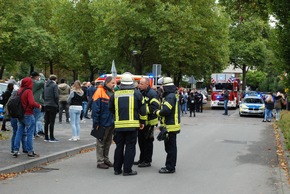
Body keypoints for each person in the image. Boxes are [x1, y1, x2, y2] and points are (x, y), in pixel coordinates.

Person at [109, 72, 146, 176]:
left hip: (119, 126)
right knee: (130, 147)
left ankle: (117, 169)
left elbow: (110, 108)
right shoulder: (137, 93)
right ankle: (127, 170)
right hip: (132, 126)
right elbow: (143, 110)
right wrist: (142, 122)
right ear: (131, 83)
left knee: (119, 147)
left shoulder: (115, 94)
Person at [154, 77, 181, 174]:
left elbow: (166, 111)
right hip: (171, 125)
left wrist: (157, 112)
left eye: (162, 86)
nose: (161, 88)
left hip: (170, 126)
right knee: (170, 147)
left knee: (170, 148)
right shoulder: (172, 95)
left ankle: (170, 167)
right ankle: (170, 165)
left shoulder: (170, 97)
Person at [12, 77, 41, 158]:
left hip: (20, 114)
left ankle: (16, 149)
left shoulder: (19, 91)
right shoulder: (28, 91)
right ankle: (30, 151)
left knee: (19, 131)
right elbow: (31, 103)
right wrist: (38, 105)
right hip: (28, 113)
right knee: (30, 132)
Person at [135, 77, 160, 167]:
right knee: (141, 141)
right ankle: (142, 159)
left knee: (148, 141)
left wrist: (142, 110)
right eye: (139, 83)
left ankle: (147, 160)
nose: (139, 85)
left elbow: (154, 107)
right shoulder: (141, 92)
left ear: (147, 84)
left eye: (141, 84)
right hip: (142, 121)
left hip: (150, 122)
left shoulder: (152, 94)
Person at [92, 77, 115, 169]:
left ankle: (105, 159)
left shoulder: (112, 92)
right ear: (107, 83)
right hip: (102, 122)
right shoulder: (99, 92)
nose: (114, 85)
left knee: (108, 142)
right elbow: (96, 109)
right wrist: (96, 123)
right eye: (112, 83)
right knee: (101, 142)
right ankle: (100, 161)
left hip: (110, 121)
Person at [43, 74, 59, 142]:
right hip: (53, 105)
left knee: (46, 121)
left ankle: (46, 137)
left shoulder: (45, 85)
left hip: (46, 104)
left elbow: (43, 94)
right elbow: (56, 96)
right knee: (52, 121)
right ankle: (52, 137)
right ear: (55, 79)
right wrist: (57, 103)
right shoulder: (54, 85)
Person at [31, 71, 45, 137]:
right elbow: (42, 82)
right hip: (36, 103)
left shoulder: (31, 82)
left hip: (32, 102)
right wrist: (42, 76)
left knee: (34, 118)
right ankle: (33, 133)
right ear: (36, 77)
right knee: (35, 119)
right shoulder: (35, 83)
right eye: (38, 76)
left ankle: (34, 132)